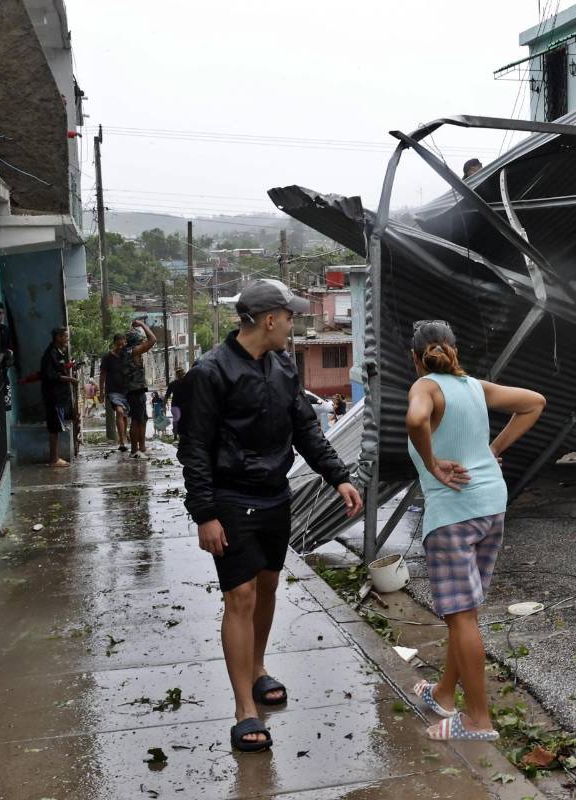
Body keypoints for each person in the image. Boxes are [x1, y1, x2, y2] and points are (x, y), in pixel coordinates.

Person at [178, 279, 364, 753]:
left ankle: (257, 668)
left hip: (274, 496)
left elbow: (304, 426)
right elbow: (195, 448)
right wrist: (204, 513)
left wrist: (337, 475)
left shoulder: (282, 364)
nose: (294, 324)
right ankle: (245, 708)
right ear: (268, 320)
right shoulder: (210, 372)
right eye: (290, 316)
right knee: (238, 595)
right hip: (229, 498)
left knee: (266, 586)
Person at [404, 320, 545, 742]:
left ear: (416, 358)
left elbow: (416, 421)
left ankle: (479, 720)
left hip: (453, 515)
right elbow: (535, 402)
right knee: (464, 614)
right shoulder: (475, 387)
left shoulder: (425, 388)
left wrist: (431, 463)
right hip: (491, 508)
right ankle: (445, 693)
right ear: (453, 349)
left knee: (461, 615)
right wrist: (494, 449)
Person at [40, 326, 78, 467]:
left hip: (59, 396)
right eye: (66, 336)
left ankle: (55, 458)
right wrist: (70, 380)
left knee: (56, 427)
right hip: (52, 396)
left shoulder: (58, 353)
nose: (67, 339)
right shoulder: (51, 354)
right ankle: (53, 459)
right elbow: (51, 375)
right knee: (54, 427)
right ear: (58, 337)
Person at [122, 319, 157, 458]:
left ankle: (140, 448)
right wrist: (142, 324)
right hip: (136, 390)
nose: (143, 342)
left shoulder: (124, 351)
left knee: (142, 419)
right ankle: (135, 450)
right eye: (140, 340)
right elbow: (153, 339)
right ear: (136, 341)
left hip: (132, 390)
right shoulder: (135, 350)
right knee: (137, 420)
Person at [100, 334, 131, 452]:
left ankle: (124, 435)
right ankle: (122, 440)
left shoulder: (127, 356)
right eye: (119, 344)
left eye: (123, 344)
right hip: (113, 390)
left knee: (125, 415)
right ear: (114, 344)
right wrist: (101, 392)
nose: (121, 347)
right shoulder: (107, 357)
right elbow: (103, 374)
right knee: (119, 411)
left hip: (127, 390)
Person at [165, 366, 187, 441]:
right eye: (178, 373)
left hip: (185, 405)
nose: (180, 374)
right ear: (177, 375)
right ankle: (175, 436)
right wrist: (164, 406)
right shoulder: (173, 384)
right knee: (176, 420)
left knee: (183, 420)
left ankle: (182, 436)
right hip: (175, 406)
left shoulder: (187, 382)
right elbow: (167, 395)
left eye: (181, 372)